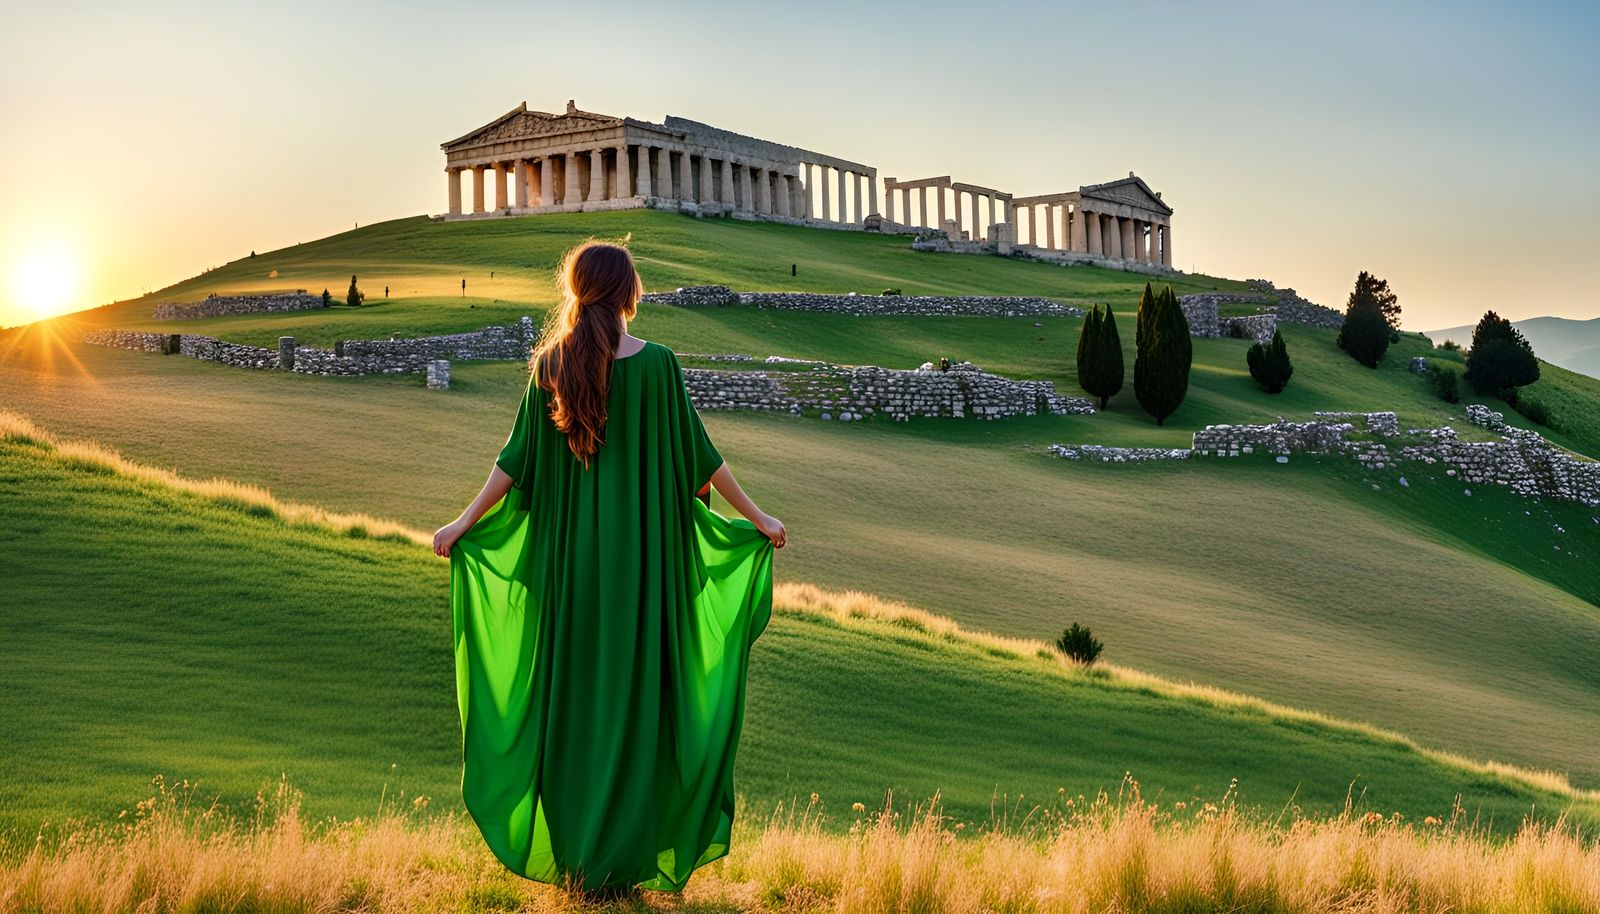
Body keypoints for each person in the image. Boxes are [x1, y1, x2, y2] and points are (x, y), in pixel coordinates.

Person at [433, 240, 785, 897]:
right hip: (642, 574)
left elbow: (513, 465)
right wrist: (759, 519)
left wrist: (463, 524)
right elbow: (702, 461)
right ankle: (621, 865)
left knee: (572, 707)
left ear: (576, 288)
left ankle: (581, 866)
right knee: (636, 707)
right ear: (628, 292)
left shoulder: (550, 366)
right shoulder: (660, 368)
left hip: (571, 575)